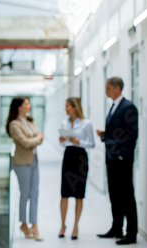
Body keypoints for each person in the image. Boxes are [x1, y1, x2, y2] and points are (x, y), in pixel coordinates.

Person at [96, 77, 138, 245]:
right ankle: (116, 228)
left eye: (107, 88)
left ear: (117, 89)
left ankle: (131, 233)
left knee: (127, 196)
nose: (105, 91)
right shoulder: (113, 106)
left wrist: (121, 155)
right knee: (114, 194)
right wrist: (104, 136)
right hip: (111, 158)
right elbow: (116, 133)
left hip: (122, 160)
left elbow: (131, 135)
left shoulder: (128, 107)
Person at [6, 96, 44, 241]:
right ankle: (23, 224)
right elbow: (25, 142)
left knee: (34, 194)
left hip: (34, 160)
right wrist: (37, 139)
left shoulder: (30, 120)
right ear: (19, 107)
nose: (29, 106)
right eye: (26, 104)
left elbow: (36, 137)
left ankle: (34, 225)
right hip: (21, 163)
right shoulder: (14, 124)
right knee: (25, 194)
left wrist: (36, 139)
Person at [58, 97, 95, 240]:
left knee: (79, 194)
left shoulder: (86, 124)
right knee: (64, 194)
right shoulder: (64, 122)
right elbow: (62, 143)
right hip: (68, 157)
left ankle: (75, 227)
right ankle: (62, 225)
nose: (66, 109)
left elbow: (91, 144)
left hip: (80, 159)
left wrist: (79, 142)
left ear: (75, 107)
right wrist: (61, 140)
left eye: (67, 106)